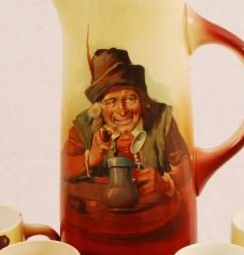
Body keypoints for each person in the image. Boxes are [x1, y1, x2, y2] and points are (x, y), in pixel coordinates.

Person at [62, 48, 190, 198]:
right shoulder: (84, 126)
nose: (122, 111)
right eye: (111, 101)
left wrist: (166, 183)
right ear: (98, 107)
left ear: (141, 99)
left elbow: (185, 167)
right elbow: (62, 167)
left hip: (154, 210)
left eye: (130, 99)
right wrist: (90, 159)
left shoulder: (162, 120)